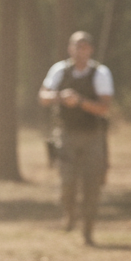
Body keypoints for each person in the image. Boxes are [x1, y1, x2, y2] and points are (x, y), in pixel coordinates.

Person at [39, 31, 113, 245]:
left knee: (92, 185)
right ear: (70, 49)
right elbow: (43, 96)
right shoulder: (60, 70)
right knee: (67, 182)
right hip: (66, 134)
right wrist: (61, 97)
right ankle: (69, 213)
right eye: (76, 46)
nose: (80, 51)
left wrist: (80, 102)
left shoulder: (100, 73)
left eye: (84, 47)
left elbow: (105, 107)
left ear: (90, 49)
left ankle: (88, 230)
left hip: (93, 136)